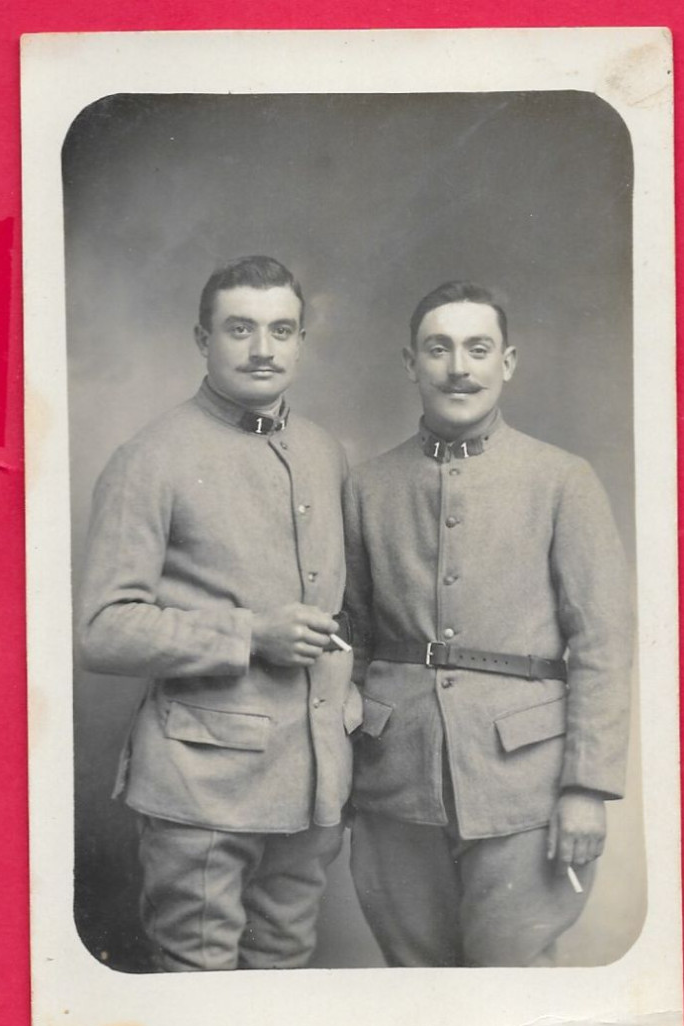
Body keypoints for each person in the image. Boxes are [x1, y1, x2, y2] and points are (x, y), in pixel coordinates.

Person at [77, 255, 361, 972]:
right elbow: (103, 629)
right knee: (202, 997)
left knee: (284, 976)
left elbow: (342, 602)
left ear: (300, 342)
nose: (262, 349)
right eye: (240, 329)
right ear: (202, 340)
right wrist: (249, 633)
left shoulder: (325, 452)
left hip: (313, 786)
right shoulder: (151, 457)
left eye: (280, 330)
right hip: (201, 790)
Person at [343, 280, 633, 967]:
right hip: (396, 779)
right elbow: (346, 640)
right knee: (417, 994)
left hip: (524, 782)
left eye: (478, 348)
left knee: (512, 995)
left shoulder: (563, 480)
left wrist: (586, 787)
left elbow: (603, 645)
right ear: (410, 363)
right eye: (438, 349)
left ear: (507, 361)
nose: (458, 367)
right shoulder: (367, 486)